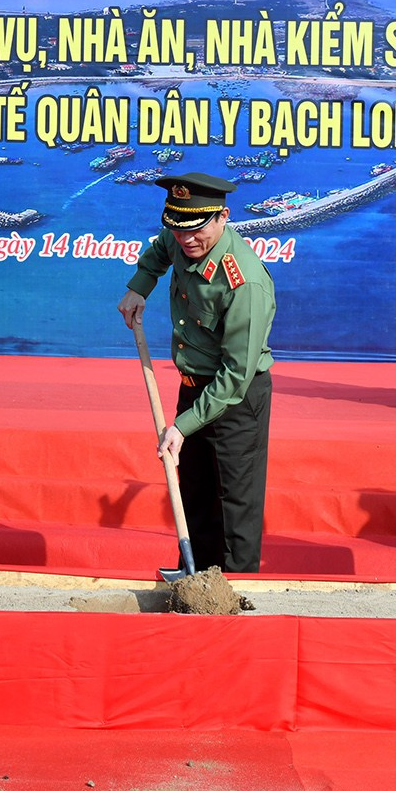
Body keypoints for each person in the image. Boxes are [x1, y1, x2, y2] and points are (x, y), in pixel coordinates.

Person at [118, 172, 277, 574]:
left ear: (223, 216)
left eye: (196, 230)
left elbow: (236, 373)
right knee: (194, 490)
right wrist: (139, 286)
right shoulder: (181, 234)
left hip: (236, 399)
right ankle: (197, 578)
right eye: (178, 228)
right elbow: (161, 248)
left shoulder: (244, 282)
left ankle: (237, 586)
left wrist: (182, 425)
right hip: (193, 386)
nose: (186, 239)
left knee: (235, 502)